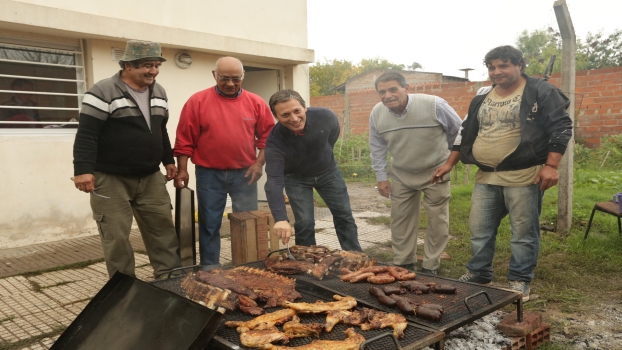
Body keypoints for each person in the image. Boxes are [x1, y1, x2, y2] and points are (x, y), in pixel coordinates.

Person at [434, 45, 572, 301]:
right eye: (492, 67)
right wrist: (449, 163)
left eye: (503, 65)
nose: (496, 72)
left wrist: (551, 166)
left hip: (524, 175)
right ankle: (479, 272)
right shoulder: (482, 96)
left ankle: (519, 280)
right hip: (487, 175)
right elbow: (466, 131)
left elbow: (561, 125)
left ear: (520, 65)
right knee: (479, 229)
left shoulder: (539, 90)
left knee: (523, 232)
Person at [72, 40, 181, 279]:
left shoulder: (159, 91)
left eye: (156, 65)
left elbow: (160, 130)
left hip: (150, 176)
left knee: (162, 229)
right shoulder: (103, 91)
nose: (153, 70)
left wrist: (168, 160)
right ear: (128, 65)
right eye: (146, 65)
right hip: (110, 178)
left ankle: (170, 279)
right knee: (116, 236)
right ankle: (124, 287)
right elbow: (87, 134)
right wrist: (83, 170)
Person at [174, 56, 275, 265]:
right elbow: (184, 139)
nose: (230, 84)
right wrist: (182, 169)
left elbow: (268, 138)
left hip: (245, 174)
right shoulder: (197, 101)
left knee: (247, 222)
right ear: (214, 75)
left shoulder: (255, 102)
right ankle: (210, 268)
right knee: (209, 224)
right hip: (209, 174)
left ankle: (247, 265)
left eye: (236, 79)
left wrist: (258, 164)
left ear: (243, 76)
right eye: (224, 78)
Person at [369, 71, 462, 275]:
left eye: (393, 89)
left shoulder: (434, 105)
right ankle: (403, 262)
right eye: (382, 92)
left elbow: (459, 132)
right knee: (400, 219)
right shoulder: (377, 113)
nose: (388, 95)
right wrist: (381, 177)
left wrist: (449, 163)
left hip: (435, 171)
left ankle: (431, 265)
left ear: (406, 88)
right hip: (402, 173)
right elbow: (377, 146)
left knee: (437, 219)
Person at [264, 89, 362, 251]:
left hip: (328, 172)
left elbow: (331, 139)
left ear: (304, 108)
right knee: (305, 222)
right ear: (276, 117)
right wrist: (281, 218)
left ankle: (355, 256)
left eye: (297, 111)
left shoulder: (326, 117)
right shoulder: (275, 142)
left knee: (344, 216)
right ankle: (307, 263)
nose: (294, 119)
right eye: (285, 115)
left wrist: (322, 157)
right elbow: (274, 181)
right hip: (296, 178)